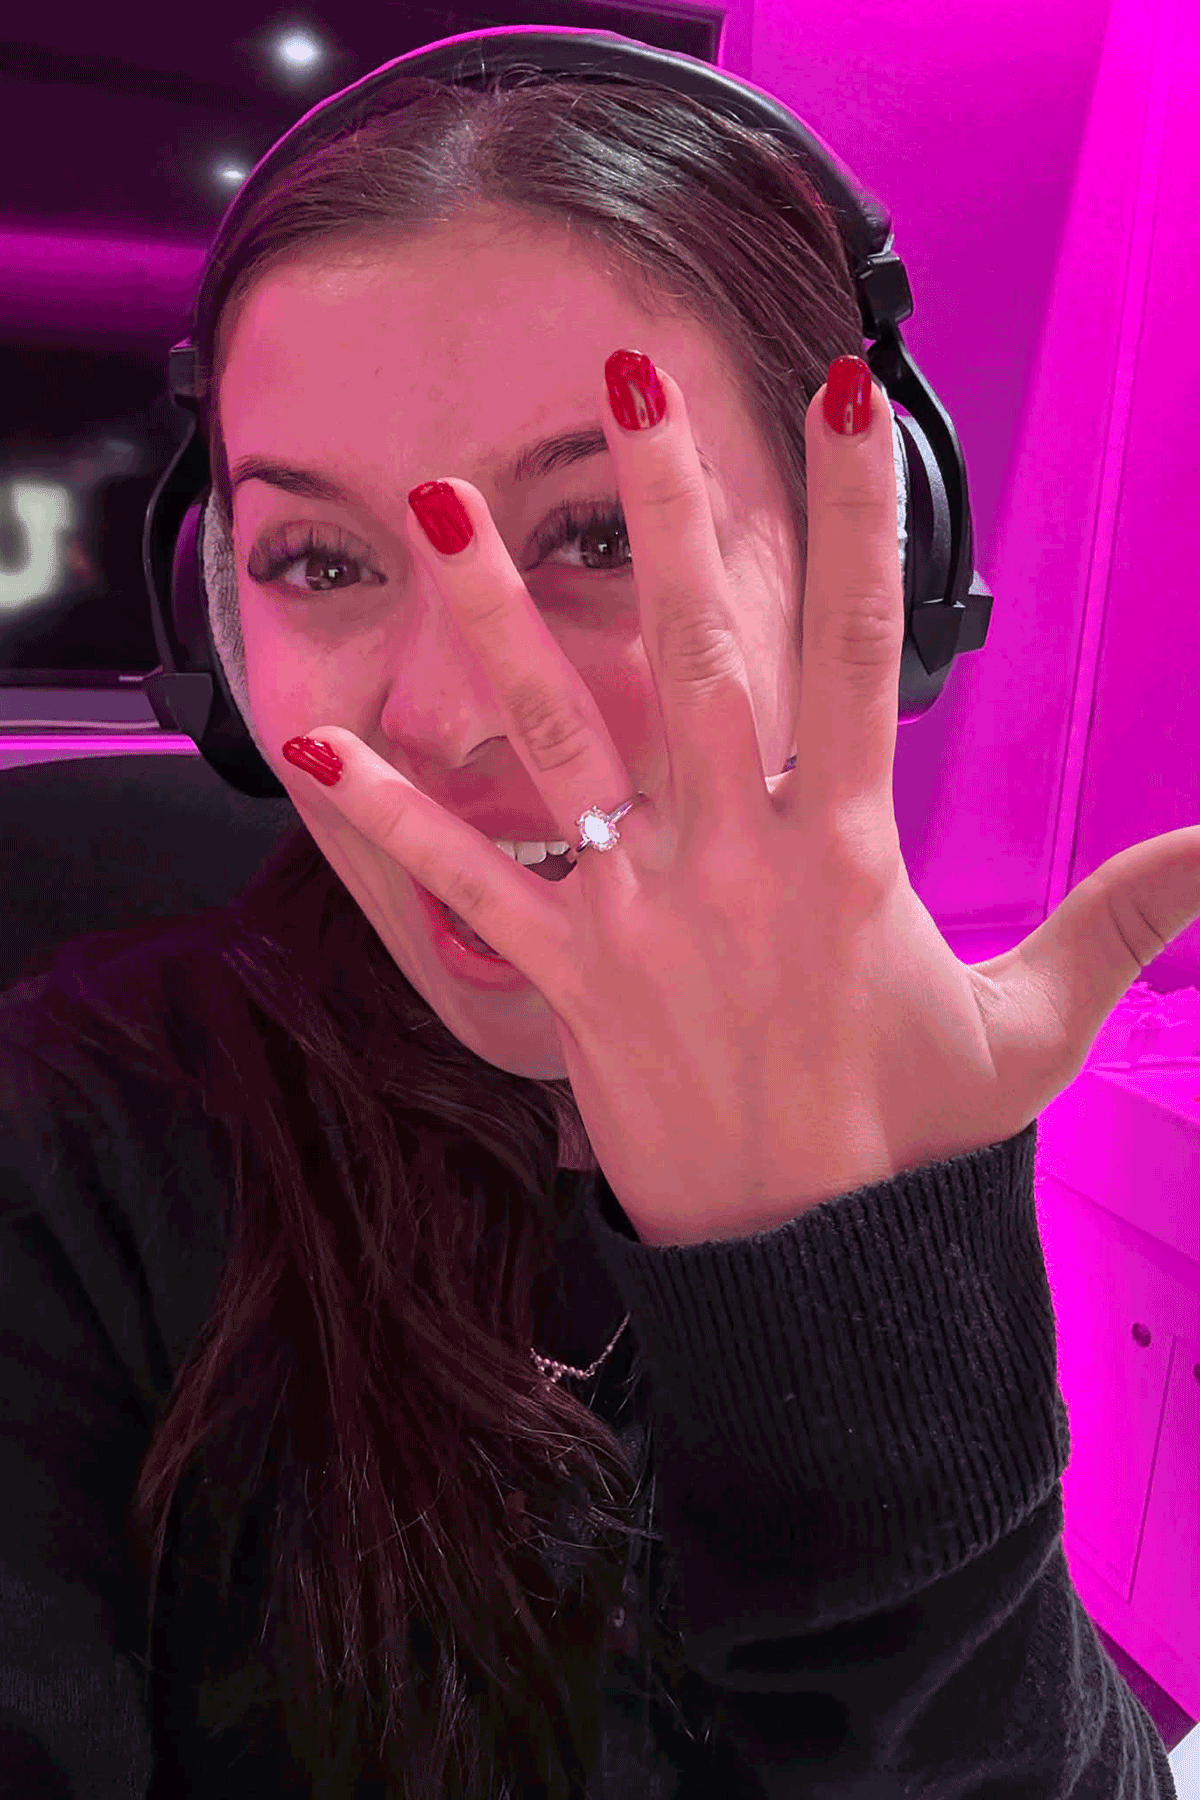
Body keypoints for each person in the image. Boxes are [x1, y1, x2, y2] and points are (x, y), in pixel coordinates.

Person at [0, 69, 1181, 1800]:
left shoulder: (883, 1102)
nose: (461, 711)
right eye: (319, 562)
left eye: (603, 531)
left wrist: (856, 1282)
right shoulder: (56, 1159)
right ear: (220, 636)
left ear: (878, 569)